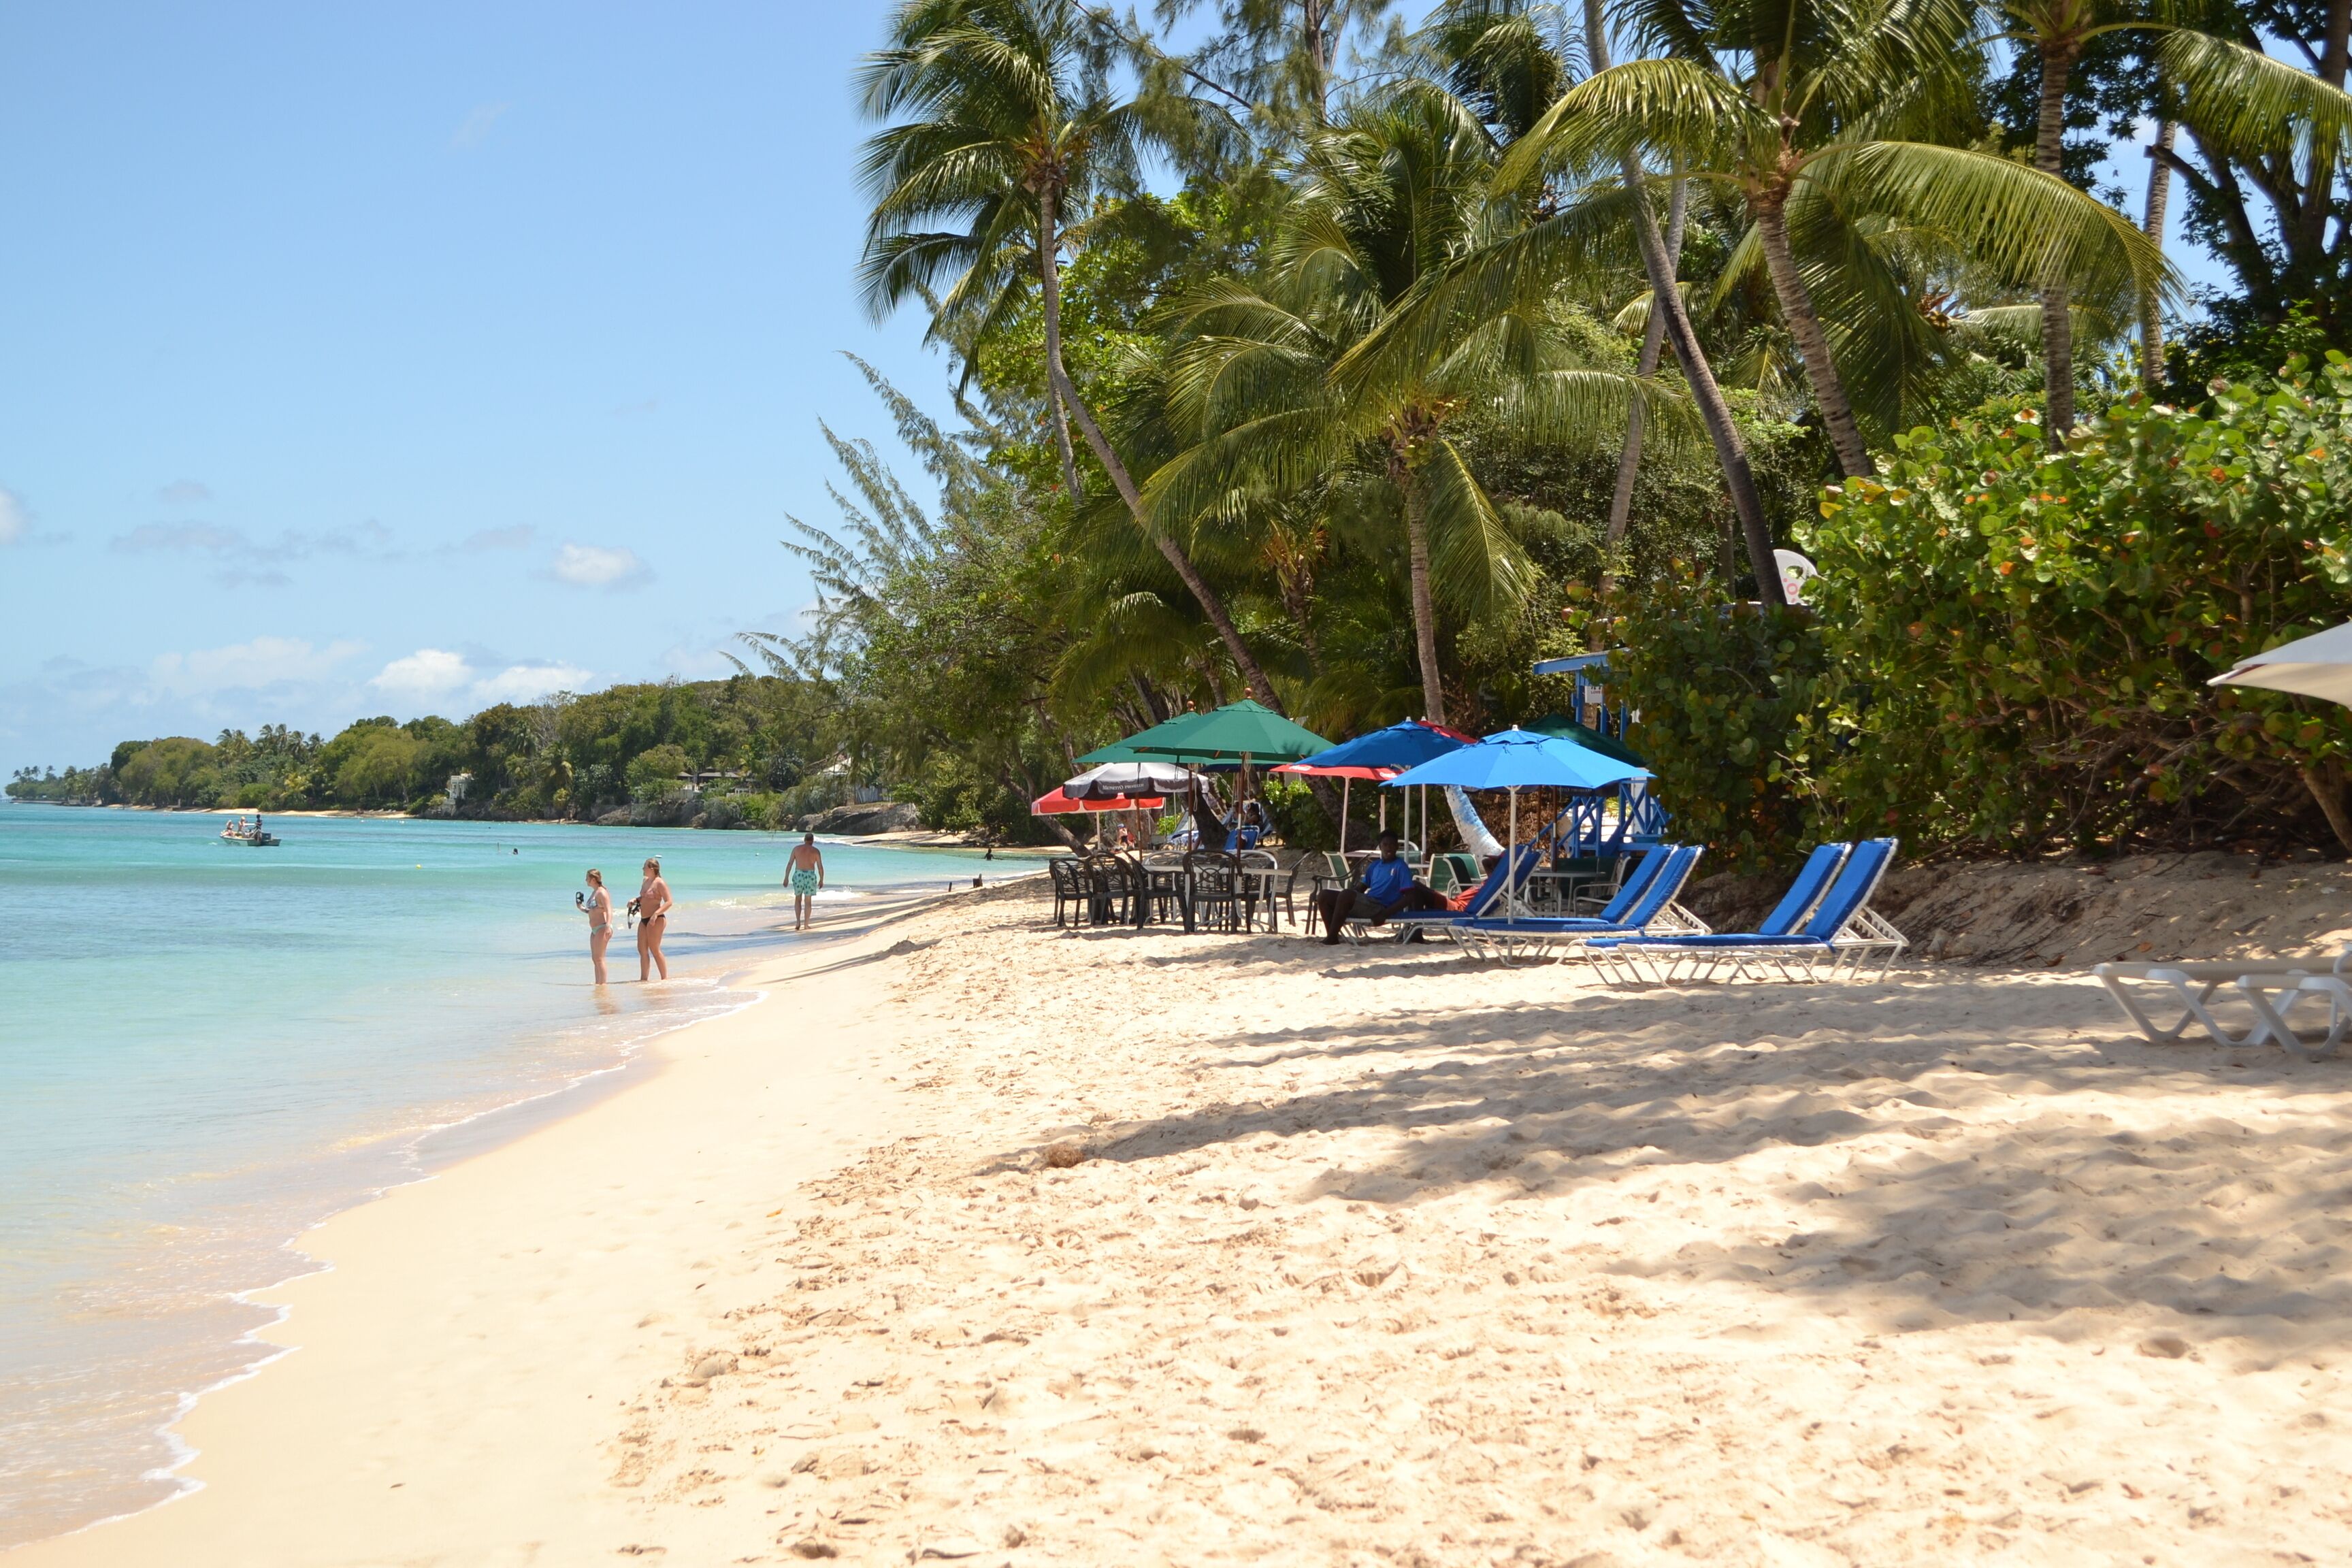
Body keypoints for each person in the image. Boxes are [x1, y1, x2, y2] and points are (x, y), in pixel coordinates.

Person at [1316, 832, 1446, 945]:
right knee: (1324, 895)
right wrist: (1346, 898)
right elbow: (1361, 888)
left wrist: (1385, 914)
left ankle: (1332, 938)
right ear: (1380, 846)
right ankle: (1332, 935)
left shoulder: (1401, 866)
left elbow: (1410, 896)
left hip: (1381, 907)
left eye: (1392, 845)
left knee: (1345, 895)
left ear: (1396, 847)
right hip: (1368, 902)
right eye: (1385, 845)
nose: (1389, 848)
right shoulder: (1375, 866)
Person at [636, 857, 672, 980]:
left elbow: (669, 902)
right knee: (642, 949)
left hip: (656, 919)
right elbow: (644, 898)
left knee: (655, 949)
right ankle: (644, 979)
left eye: (644, 867)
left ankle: (665, 978)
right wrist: (635, 900)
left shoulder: (659, 882)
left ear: (651, 868)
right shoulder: (645, 881)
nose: (642, 869)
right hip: (644, 918)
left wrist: (656, 914)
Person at [786, 833, 824, 932]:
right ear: (812, 840)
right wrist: (821, 879)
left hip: (798, 875)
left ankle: (798, 921)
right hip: (810, 875)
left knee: (798, 899)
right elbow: (820, 867)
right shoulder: (816, 851)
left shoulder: (796, 849)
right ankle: (806, 924)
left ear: (804, 839)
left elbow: (790, 863)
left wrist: (786, 877)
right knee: (808, 901)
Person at [582, 868, 614, 984]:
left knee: (600, 959)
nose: (586, 880)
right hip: (594, 930)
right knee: (595, 959)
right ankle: (598, 984)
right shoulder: (594, 892)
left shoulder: (601, 892)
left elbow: (609, 910)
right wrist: (582, 908)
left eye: (588, 878)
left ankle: (603, 985)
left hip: (602, 927)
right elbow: (593, 911)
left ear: (594, 879)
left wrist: (608, 926)